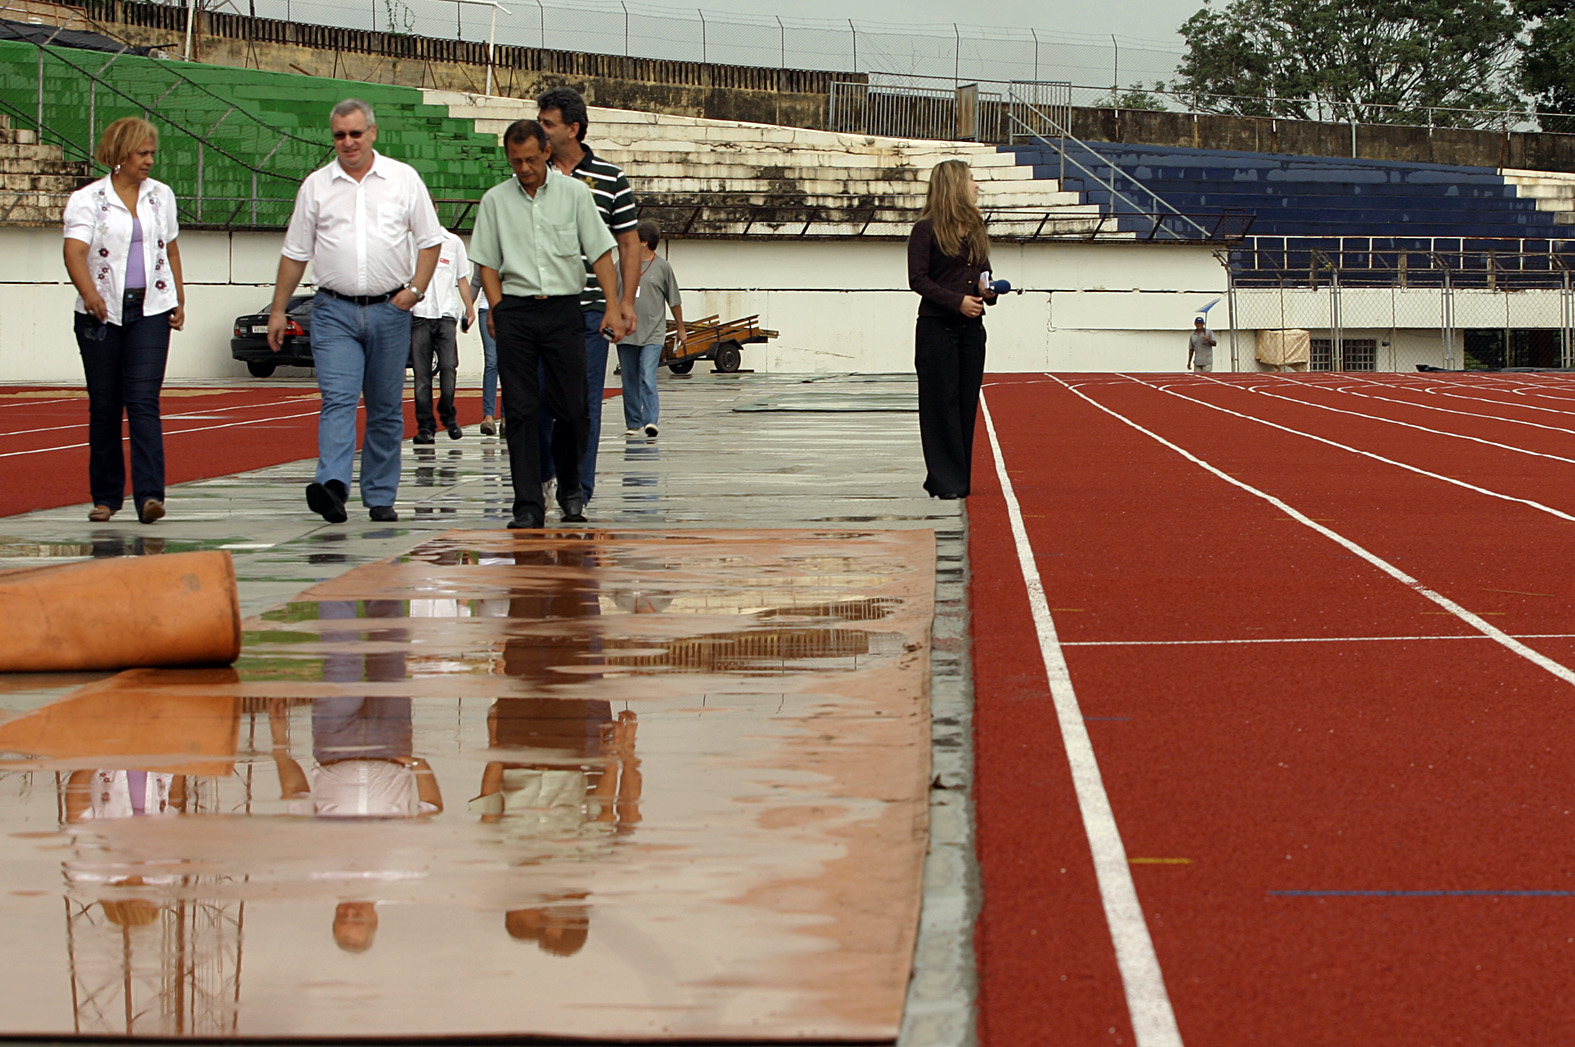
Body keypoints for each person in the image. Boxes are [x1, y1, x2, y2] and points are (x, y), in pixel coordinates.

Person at [267, 98, 444, 524]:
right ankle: (333, 486)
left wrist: (415, 290)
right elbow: (294, 254)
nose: (348, 142)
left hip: (389, 309)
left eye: (355, 133)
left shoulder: (403, 179)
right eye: (340, 135)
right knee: (338, 400)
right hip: (334, 311)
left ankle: (380, 495)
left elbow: (430, 240)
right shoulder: (316, 186)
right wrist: (277, 310)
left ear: (372, 132)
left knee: (384, 406)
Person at [469, 119, 623, 530]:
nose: (524, 169)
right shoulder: (495, 201)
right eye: (516, 161)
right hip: (516, 312)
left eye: (532, 160)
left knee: (572, 408)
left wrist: (612, 306)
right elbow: (486, 262)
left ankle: (571, 488)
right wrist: (498, 311)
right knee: (520, 411)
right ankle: (527, 502)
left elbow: (602, 252)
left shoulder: (575, 194)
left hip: (564, 310)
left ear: (546, 154)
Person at [62, 116, 185, 525]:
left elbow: (171, 248)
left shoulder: (160, 197)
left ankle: (150, 495)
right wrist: (91, 294)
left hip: (150, 310)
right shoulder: (87, 200)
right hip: (101, 313)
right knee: (105, 406)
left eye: (152, 153)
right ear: (120, 156)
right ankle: (106, 496)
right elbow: (74, 252)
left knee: (144, 402)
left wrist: (178, 297)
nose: (149, 160)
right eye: (142, 153)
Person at [536, 86, 640, 505]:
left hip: (590, 312)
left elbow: (629, 243)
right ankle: (542, 476)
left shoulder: (611, 179)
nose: (540, 131)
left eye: (548, 124)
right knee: (538, 402)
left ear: (573, 129)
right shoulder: (530, 173)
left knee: (582, 405)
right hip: (540, 308)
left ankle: (577, 489)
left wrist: (625, 302)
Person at [907, 158, 997, 501]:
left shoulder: (975, 229)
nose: (977, 186)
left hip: (971, 331)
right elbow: (918, 279)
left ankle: (955, 479)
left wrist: (987, 293)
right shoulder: (925, 230)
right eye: (972, 179)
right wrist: (957, 301)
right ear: (956, 185)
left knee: (964, 406)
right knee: (939, 404)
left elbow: (984, 273)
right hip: (936, 329)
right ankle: (947, 482)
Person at [615, 220, 686, 439]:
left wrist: (681, 329)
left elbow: (674, 299)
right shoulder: (621, 264)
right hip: (627, 332)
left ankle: (651, 421)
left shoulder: (663, 267)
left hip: (653, 333)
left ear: (644, 242)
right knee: (629, 378)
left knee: (647, 375)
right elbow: (611, 294)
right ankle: (633, 421)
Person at [410, 229, 476, 443]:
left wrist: (469, 307)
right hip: (420, 314)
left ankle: (447, 412)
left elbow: (461, 279)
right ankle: (425, 426)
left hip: (446, 315)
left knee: (448, 366)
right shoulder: (410, 240)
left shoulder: (453, 242)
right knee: (422, 375)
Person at [469, 268, 501, 435]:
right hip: (485, 307)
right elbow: (476, 281)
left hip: (510, 308)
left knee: (509, 362)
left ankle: (506, 416)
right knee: (491, 361)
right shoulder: (484, 245)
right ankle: (488, 416)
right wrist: (468, 308)